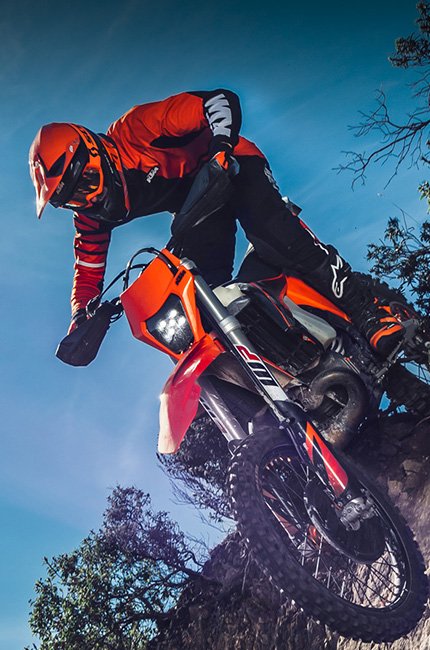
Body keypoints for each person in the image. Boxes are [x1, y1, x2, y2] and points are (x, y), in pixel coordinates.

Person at [29, 89, 404, 356]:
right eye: (74, 199)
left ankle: (369, 311)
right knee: (200, 302)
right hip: (197, 207)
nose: (89, 199)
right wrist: (81, 316)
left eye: (88, 183)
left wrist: (221, 146)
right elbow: (87, 272)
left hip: (232, 167)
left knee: (274, 233)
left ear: (94, 150)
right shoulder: (91, 218)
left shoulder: (137, 128)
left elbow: (218, 101)